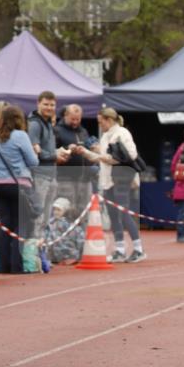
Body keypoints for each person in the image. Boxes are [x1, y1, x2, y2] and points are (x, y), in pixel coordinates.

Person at [86, 107, 146, 263]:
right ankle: (119, 249)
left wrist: (107, 157)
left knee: (124, 214)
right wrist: (90, 153)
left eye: (101, 122)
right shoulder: (106, 136)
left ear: (109, 120)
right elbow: (104, 157)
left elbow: (131, 154)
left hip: (121, 179)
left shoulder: (122, 133)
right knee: (113, 215)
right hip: (107, 180)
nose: (100, 126)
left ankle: (138, 249)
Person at [0, 105, 39, 274]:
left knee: (5, 224)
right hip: (18, 183)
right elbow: (33, 162)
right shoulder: (21, 136)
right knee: (21, 225)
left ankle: (4, 265)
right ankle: (16, 265)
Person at [27, 91, 70, 241]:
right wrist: (54, 155)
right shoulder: (34, 124)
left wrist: (59, 151)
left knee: (45, 218)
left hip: (51, 175)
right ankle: (34, 257)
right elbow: (34, 150)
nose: (49, 107)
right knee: (38, 217)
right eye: (46, 104)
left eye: (52, 105)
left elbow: (44, 149)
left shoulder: (47, 123)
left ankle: (40, 254)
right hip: (39, 176)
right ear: (38, 103)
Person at [54, 104, 98, 221]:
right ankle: (66, 238)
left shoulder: (83, 131)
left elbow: (89, 149)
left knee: (84, 211)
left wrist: (92, 148)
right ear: (65, 116)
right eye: (72, 119)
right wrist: (67, 148)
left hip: (85, 178)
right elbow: (52, 153)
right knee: (67, 209)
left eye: (78, 119)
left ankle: (80, 238)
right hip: (65, 178)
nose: (75, 122)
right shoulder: (57, 131)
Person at [170, 130, 184, 243]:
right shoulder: (183, 148)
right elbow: (173, 165)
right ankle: (181, 235)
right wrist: (178, 176)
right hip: (182, 187)